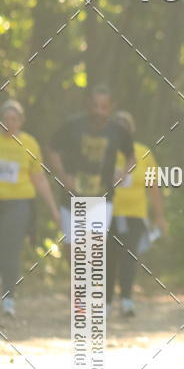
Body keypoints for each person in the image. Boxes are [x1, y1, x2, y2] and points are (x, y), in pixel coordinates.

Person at [47, 84, 134, 249]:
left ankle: (87, 274)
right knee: (73, 248)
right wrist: (63, 175)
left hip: (102, 198)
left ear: (111, 108)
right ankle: (79, 274)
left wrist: (123, 174)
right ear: (87, 104)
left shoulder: (118, 131)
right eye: (95, 106)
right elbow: (52, 149)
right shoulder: (72, 125)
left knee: (93, 247)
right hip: (72, 197)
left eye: (103, 107)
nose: (98, 111)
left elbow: (131, 158)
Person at [0, 99, 60, 319]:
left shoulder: (29, 144)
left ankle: (8, 298)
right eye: (5, 119)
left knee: (11, 249)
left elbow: (39, 179)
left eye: (14, 119)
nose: (9, 123)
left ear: (21, 121)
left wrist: (53, 209)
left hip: (19, 203)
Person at [107, 111, 167, 317]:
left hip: (135, 214)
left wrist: (159, 216)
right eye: (117, 124)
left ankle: (126, 300)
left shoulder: (143, 153)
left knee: (129, 256)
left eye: (126, 125)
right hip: (107, 214)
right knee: (108, 257)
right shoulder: (105, 150)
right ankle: (105, 302)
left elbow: (154, 187)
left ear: (132, 129)